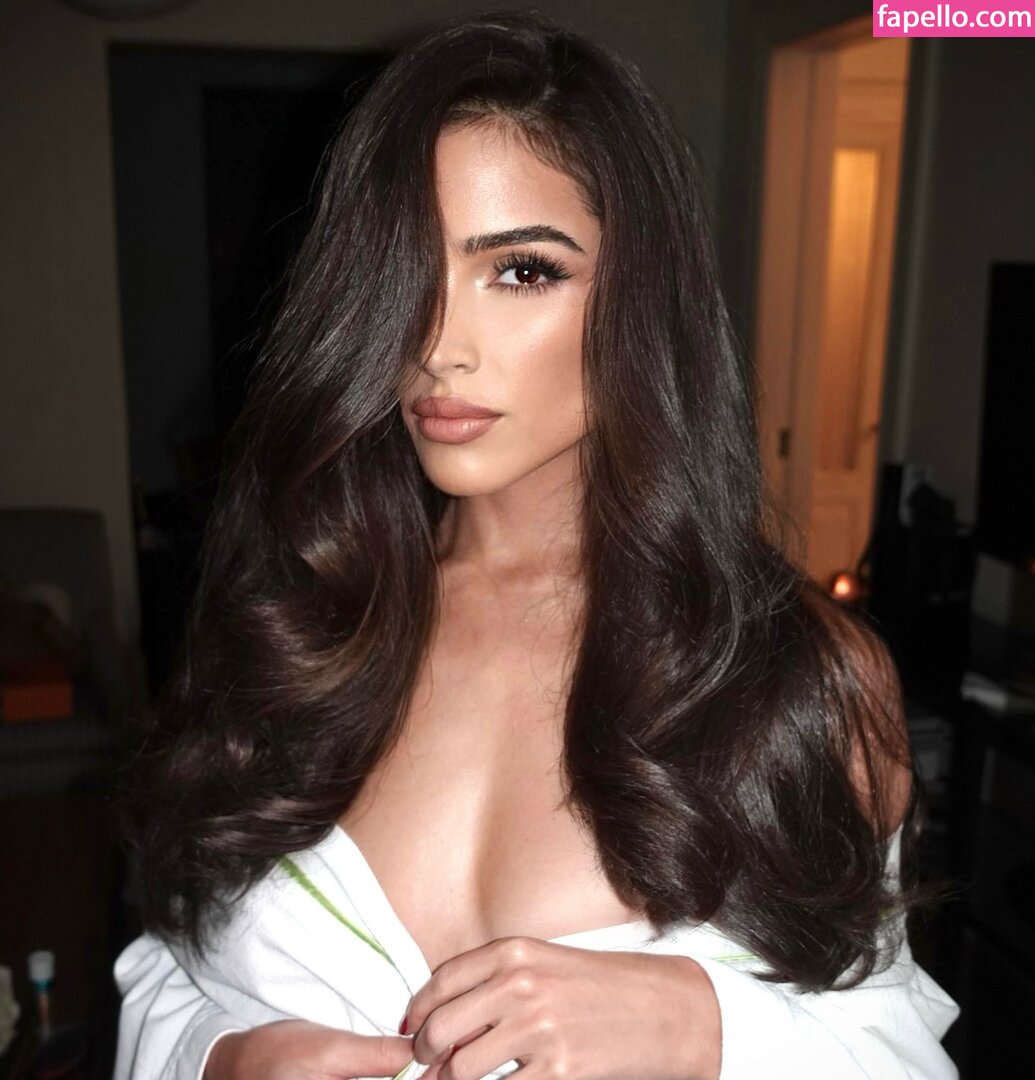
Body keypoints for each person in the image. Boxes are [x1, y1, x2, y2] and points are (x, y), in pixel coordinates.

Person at [113, 9, 959, 1080]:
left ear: (642, 297)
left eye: (520, 271)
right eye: (405, 271)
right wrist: (219, 1058)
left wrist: (709, 1031)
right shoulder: (289, 627)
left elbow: (891, 1041)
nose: (434, 343)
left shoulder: (796, 682)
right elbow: (170, 957)